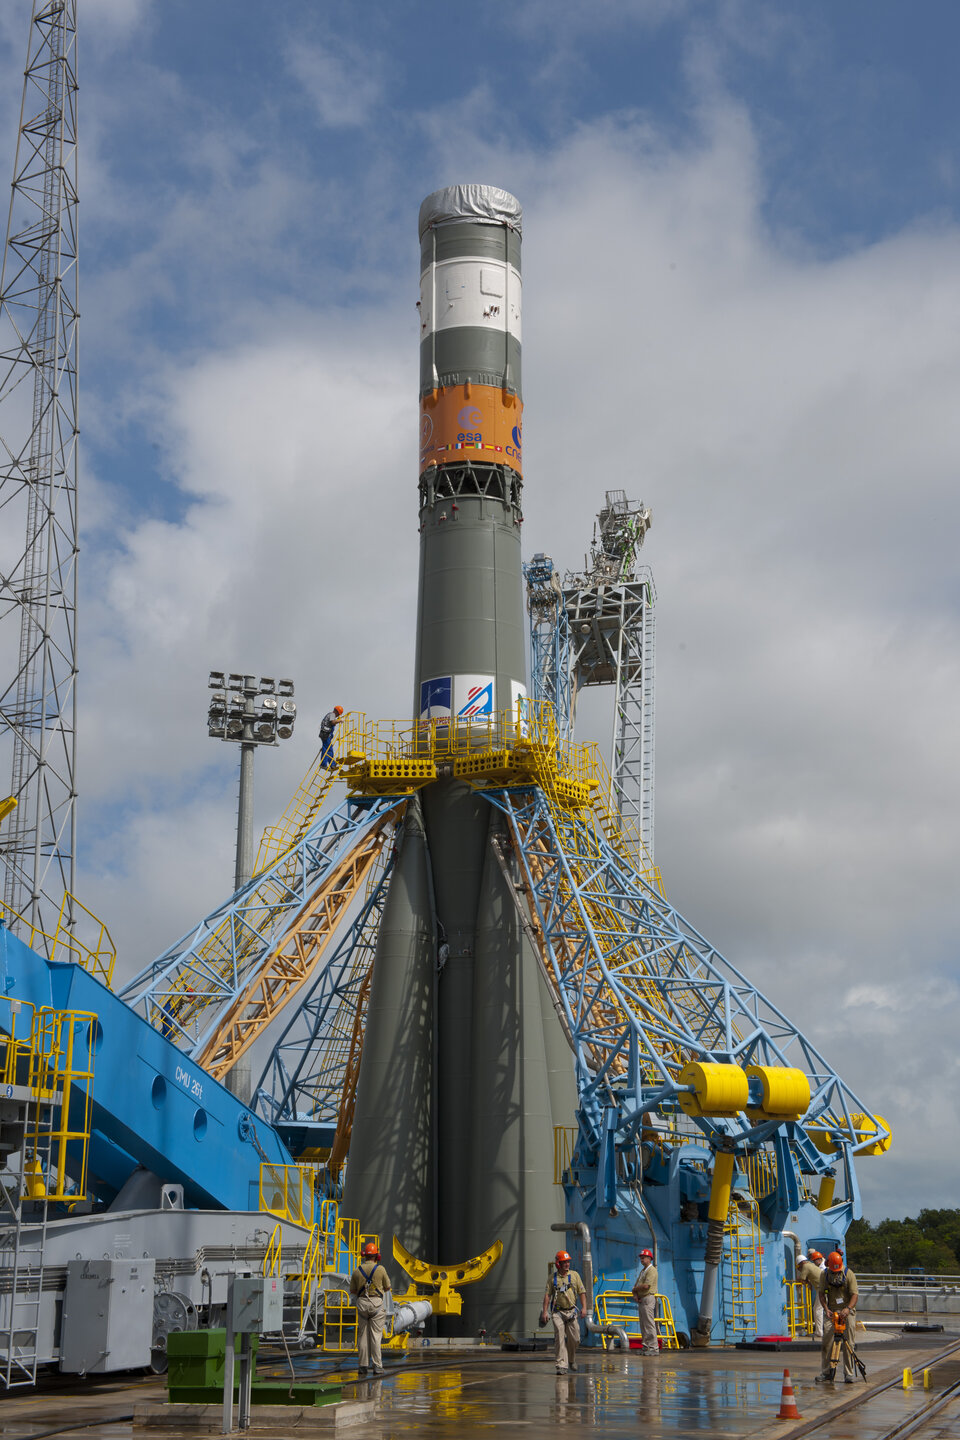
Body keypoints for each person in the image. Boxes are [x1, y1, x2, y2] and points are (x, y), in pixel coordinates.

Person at [350, 1240, 392, 1376]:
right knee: (375, 1336)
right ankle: (377, 1366)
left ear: (364, 1255)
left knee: (362, 1336)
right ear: (377, 1256)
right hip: (376, 1306)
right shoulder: (381, 1270)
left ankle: (362, 1366)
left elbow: (353, 1291)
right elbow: (387, 1288)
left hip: (362, 1304)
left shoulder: (357, 1271)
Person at [541, 1250, 587, 1375]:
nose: (567, 1264)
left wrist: (584, 1307)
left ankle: (571, 1359)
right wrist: (544, 1312)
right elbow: (547, 1296)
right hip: (558, 1313)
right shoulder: (552, 1278)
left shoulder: (575, 1276)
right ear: (558, 1264)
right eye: (564, 1262)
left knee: (575, 1338)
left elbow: (582, 1292)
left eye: (568, 1261)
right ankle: (561, 1365)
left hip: (571, 1312)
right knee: (559, 1338)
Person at [818, 1251, 859, 1383]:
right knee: (827, 1343)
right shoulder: (824, 1275)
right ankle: (826, 1372)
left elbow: (854, 1295)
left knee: (848, 1343)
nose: (835, 1273)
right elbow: (821, 1294)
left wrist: (848, 1309)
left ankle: (849, 1373)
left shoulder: (849, 1274)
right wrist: (826, 1309)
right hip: (831, 1311)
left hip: (847, 1311)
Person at [631, 1248, 659, 1355]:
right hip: (642, 1299)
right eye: (641, 1258)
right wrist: (635, 1294)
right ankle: (646, 1346)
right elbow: (636, 1286)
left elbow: (646, 1286)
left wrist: (635, 1289)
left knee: (649, 1323)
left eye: (643, 1258)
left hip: (648, 1298)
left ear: (649, 1258)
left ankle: (653, 1348)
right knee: (643, 1324)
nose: (641, 1259)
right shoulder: (643, 1271)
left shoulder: (652, 1271)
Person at [797, 1248, 825, 1339]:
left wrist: (800, 1281)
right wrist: (808, 1282)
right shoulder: (811, 1265)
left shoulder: (805, 1266)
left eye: (799, 1266)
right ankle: (820, 1331)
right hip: (823, 1289)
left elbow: (802, 1279)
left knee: (817, 1310)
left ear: (801, 1263)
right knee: (818, 1309)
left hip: (822, 1290)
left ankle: (819, 1332)